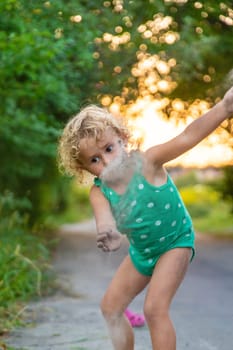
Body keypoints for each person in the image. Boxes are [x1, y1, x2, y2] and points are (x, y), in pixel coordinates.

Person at [58, 86, 233, 350]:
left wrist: (224, 108)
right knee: (110, 308)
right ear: (83, 168)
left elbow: (187, 137)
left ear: (122, 139)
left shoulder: (148, 162)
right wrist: (108, 233)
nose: (105, 162)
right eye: (94, 159)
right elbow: (104, 220)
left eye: (108, 149)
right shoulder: (99, 192)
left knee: (154, 308)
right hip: (143, 252)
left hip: (175, 242)